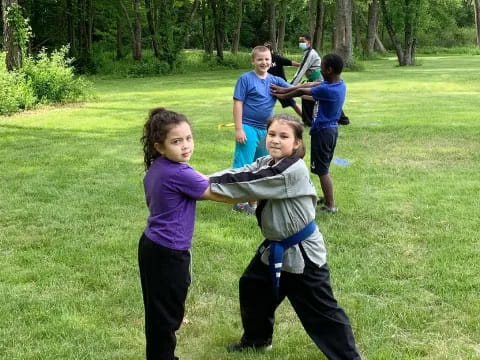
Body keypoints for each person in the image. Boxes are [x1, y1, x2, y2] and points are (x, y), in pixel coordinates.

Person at [209, 114, 361, 359]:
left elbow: (248, 183)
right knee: (253, 287)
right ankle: (257, 341)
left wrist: (197, 185)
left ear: (297, 143)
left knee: (322, 312)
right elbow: (245, 171)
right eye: (271, 134)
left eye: (284, 136)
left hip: (302, 253)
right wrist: (199, 179)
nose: (276, 140)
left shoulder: (290, 170)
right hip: (275, 246)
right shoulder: (268, 161)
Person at [138, 107, 230, 360]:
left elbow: (203, 179)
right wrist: (266, 192)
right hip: (169, 252)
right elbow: (218, 194)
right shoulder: (178, 172)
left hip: (152, 246)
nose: (186, 146)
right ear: (160, 146)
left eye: (188, 138)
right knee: (167, 315)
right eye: (176, 141)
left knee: (158, 312)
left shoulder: (160, 167)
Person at [271, 53, 346, 213]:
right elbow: (310, 85)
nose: (319, 69)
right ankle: (327, 199)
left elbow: (302, 92)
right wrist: (286, 88)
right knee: (323, 166)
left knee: (322, 170)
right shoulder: (339, 85)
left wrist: (283, 94)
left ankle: (330, 205)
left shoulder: (327, 89)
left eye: (321, 67)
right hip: (331, 131)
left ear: (328, 69)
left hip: (323, 132)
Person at [231, 45, 293, 214]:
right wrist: (239, 129)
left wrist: (316, 88)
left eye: (267, 59)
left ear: (272, 61)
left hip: (265, 131)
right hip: (248, 127)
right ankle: (238, 202)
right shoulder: (245, 79)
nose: (264, 62)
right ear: (253, 61)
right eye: (260, 59)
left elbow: (292, 89)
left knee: (262, 166)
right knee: (244, 164)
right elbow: (238, 104)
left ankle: (255, 201)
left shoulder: (274, 80)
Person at [291, 35, 350, 127]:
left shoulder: (310, 53)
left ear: (309, 43)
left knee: (322, 96)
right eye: (300, 41)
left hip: (318, 78)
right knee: (314, 98)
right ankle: (308, 121)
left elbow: (301, 70)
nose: (301, 43)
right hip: (315, 78)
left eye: (303, 41)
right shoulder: (307, 53)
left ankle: (342, 119)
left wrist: (291, 86)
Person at [264, 41, 302, 117]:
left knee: (293, 104)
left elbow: (291, 63)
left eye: (268, 49)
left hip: (281, 87)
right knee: (264, 104)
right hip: (268, 86)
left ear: (271, 50)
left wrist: (304, 66)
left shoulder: (277, 58)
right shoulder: (263, 60)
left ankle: (308, 120)